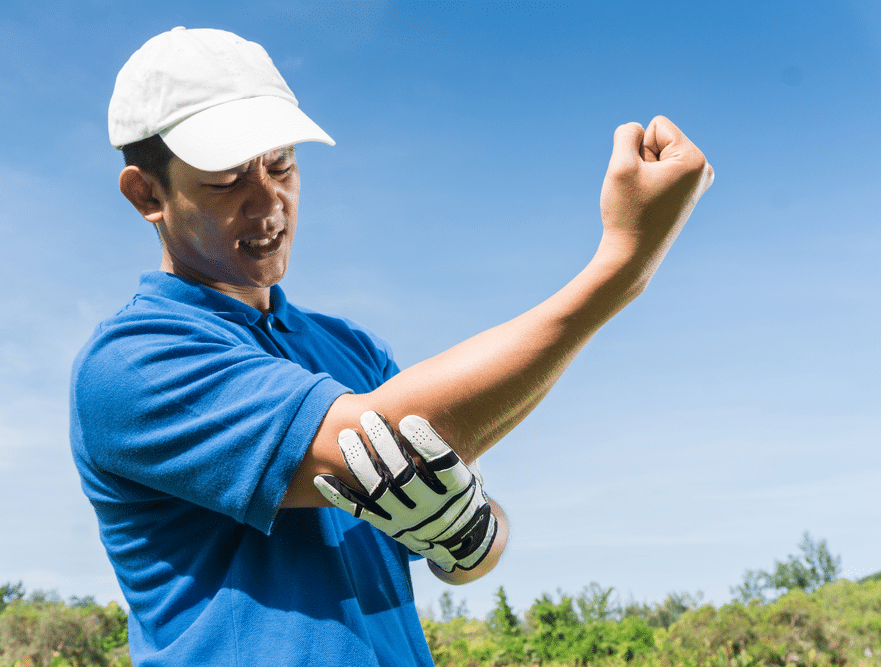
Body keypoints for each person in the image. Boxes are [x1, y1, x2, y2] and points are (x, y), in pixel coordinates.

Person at [70, 26, 713, 667]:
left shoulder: (350, 349)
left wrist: (471, 536)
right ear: (147, 194)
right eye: (226, 179)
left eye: (281, 164)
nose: (268, 202)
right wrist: (622, 264)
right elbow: (379, 448)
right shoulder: (132, 360)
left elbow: (461, 524)